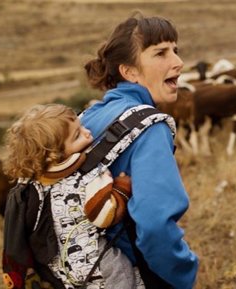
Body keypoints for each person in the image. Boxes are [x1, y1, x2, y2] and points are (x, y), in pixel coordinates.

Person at [82, 13, 199, 289]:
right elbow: (156, 226)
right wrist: (185, 273)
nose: (178, 62)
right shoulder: (149, 127)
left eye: (175, 50)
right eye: (160, 53)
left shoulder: (86, 118)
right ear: (129, 71)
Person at [2, 103, 143, 289]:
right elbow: (103, 215)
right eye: (77, 135)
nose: (87, 133)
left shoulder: (35, 185)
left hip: (63, 270)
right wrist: (122, 188)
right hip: (98, 263)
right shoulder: (88, 175)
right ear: (54, 155)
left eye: (81, 125)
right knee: (124, 273)